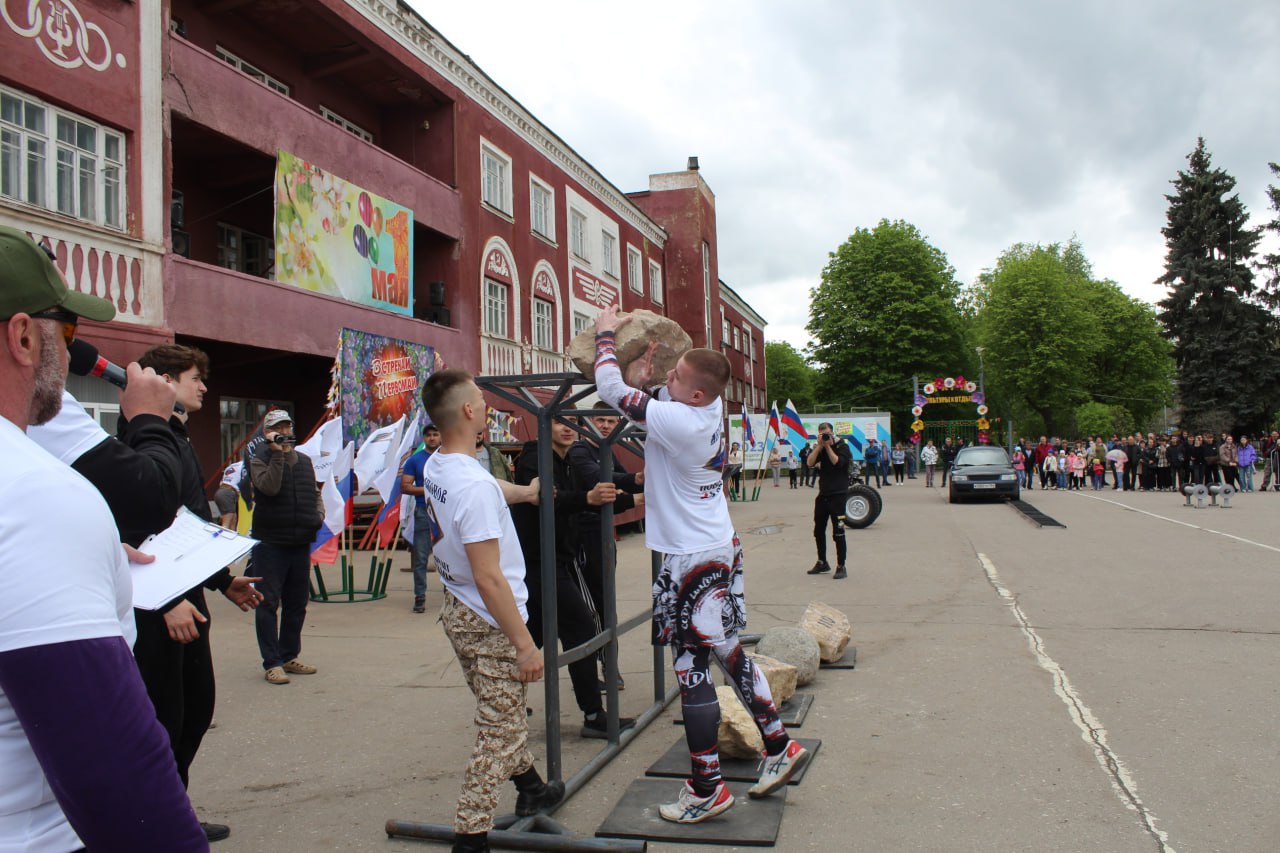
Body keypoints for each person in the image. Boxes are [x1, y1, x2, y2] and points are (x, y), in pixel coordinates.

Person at [0, 227, 209, 850]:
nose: (70, 352)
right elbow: (114, 769)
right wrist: (150, 422)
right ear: (21, 337)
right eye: (64, 332)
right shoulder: (33, 494)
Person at [593, 306, 809, 824]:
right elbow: (651, 403)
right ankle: (779, 745)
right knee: (730, 653)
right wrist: (646, 380)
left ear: (695, 394)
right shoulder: (703, 410)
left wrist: (605, 334)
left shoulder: (682, 420)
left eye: (677, 377)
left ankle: (707, 786)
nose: (667, 378)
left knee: (691, 669)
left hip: (693, 557)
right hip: (714, 546)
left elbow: (608, 389)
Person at [420, 369, 560, 853]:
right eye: (480, 400)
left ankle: (532, 788)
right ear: (467, 412)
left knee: (500, 710)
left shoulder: (439, 463)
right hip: (489, 616)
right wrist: (525, 645)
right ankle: (470, 835)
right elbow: (490, 575)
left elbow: (484, 488)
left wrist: (523, 492)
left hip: (459, 608)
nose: (486, 405)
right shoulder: (472, 486)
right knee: (500, 725)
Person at [129, 343, 262, 843]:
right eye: (193, 377)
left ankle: (172, 806)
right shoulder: (145, 440)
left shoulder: (176, 436)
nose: (204, 386)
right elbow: (140, 527)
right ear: (163, 381)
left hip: (189, 596)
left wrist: (224, 581)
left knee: (195, 709)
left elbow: (189, 523)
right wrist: (166, 601)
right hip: (161, 605)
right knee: (164, 717)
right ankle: (154, 820)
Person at [512, 421, 637, 738]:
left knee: (534, 633)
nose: (566, 428)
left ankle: (502, 694)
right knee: (581, 625)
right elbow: (549, 498)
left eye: (570, 423)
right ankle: (594, 715)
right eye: (557, 421)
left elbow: (598, 494)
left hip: (560, 558)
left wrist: (638, 494)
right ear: (543, 423)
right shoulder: (534, 456)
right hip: (538, 560)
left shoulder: (570, 460)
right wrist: (587, 499)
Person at [566, 402, 645, 690]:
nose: (605, 426)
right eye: (599, 420)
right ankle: (606, 666)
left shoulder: (605, 450)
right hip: (583, 536)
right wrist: (632, 482)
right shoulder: (580, 450)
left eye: (611, 422)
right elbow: (600, 481)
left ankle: (608, 664)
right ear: (588, 422)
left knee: (605, 602)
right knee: (595, 605)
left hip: (603, 534)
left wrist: (637, 482)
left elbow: (625, 481)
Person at [248, 409, 325, 685]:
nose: (284, 432)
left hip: (299, 542)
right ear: (267, 433)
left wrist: (319, 516)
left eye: (287, 427)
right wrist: (277, 453)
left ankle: (289, 654)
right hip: (270, 543)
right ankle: (272, 662)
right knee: (268, 603)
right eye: (276, 428)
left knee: (297, 603)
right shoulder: (259, 459)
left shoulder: (304, 461)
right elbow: (268, 487)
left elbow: (315, 493)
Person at [401, 421, 443, 613]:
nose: (432, 438)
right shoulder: (414, 460)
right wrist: (429, 491)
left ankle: (452, 595)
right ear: (424, 438)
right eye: (429, 435)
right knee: (421, 558)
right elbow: (406, 486)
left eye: (435, 434)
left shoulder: (449, 458)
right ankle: (420, 596)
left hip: (447, 513)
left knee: (452, 556)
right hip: (423, 512)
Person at [807, 422, 852, 579]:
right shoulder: (820, 447)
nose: (825, 436)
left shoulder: (843, 447)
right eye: (822, 434)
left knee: (838, 532)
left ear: (832, 433)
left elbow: (837, 462)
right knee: (818, 530)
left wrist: (827, 446)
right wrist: (819, 446)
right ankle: (822, 562)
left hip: (838, 495)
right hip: (823, 495)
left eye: (827, 433)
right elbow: (809, 462)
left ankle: (841, 565)